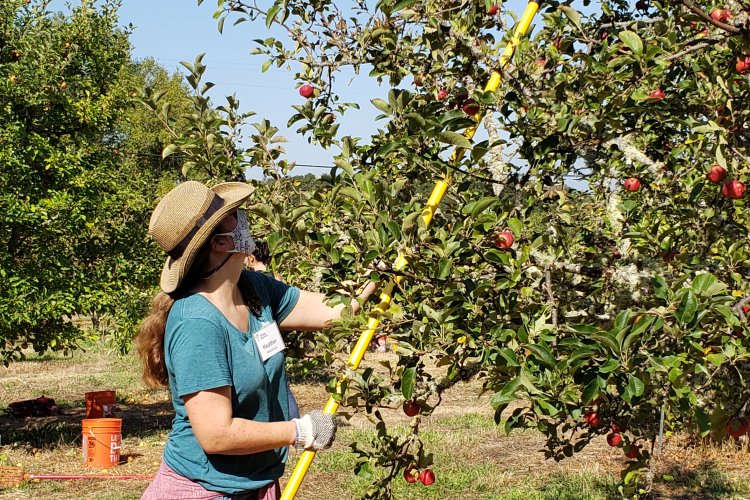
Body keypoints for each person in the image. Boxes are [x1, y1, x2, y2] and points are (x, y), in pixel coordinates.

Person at [137, 181, 378, 500]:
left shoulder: (253, 288)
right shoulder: (197, 323)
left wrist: (379, 273)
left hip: (253, 484)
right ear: (219, 243)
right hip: (207, 491)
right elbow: (216, 435)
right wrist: (298, 431)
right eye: (234, 215)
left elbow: (330, 310)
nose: (245, 218)